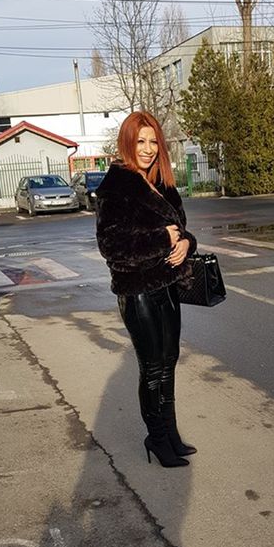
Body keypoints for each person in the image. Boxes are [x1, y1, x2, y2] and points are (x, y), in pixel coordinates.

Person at [96, 111, 197, 468]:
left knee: (169, 362)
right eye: (140, 141)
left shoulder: (162, 183)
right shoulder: (115, 187)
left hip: (167, 285)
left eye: (153, 141)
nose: (148, 148)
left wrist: (186, 243)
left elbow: (181, 229)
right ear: (127, 142)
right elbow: (111, 247)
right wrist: (162, 239)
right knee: (152, 368)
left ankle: (170, 434)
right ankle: (156, 438)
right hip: (137, 291)